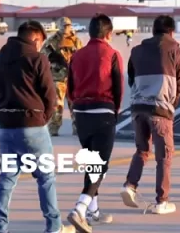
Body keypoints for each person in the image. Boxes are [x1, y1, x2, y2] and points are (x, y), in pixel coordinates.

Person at [0, 20, 74, 233]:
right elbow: (50, 95)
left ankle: (0, 227)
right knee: (46, 178)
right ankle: (54, 226)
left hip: (6, 126)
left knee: (6, 179)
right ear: (36, 38)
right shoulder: (37, 58)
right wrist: (43, 119)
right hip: (32, 125)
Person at [120, 15, 180, 215]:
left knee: (142, 149)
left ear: (153, 31)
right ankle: (162, 201)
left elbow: (131, 79)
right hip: (160, 109)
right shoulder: (176, 50)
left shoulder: (136, 50)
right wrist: (171, 106)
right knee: (164, 156)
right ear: (171, 31)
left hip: (138, 108)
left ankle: (130, 186)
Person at [66, 14, 123, 233]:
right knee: (100, 165)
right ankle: (80, 208)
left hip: (81, 113)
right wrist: (114, 111)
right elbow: (118, 87)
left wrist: (76, 107)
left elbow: (70, 88)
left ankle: (93, 211)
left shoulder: (76, 55)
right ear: (109, 34)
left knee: (91, 162)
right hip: (103, 111)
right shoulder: (112, 54)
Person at [44, 17, 82, 136]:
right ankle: (53, 128)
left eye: (68, 26)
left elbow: (82, 56)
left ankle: (77, 128)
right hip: (57, 76)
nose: (66, 28)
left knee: (74, 103)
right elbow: (43, 55)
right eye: (64, 26)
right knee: (57, 104)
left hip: (73, 77)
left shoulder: (76, 41)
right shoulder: (52, 41)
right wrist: (53, 58)